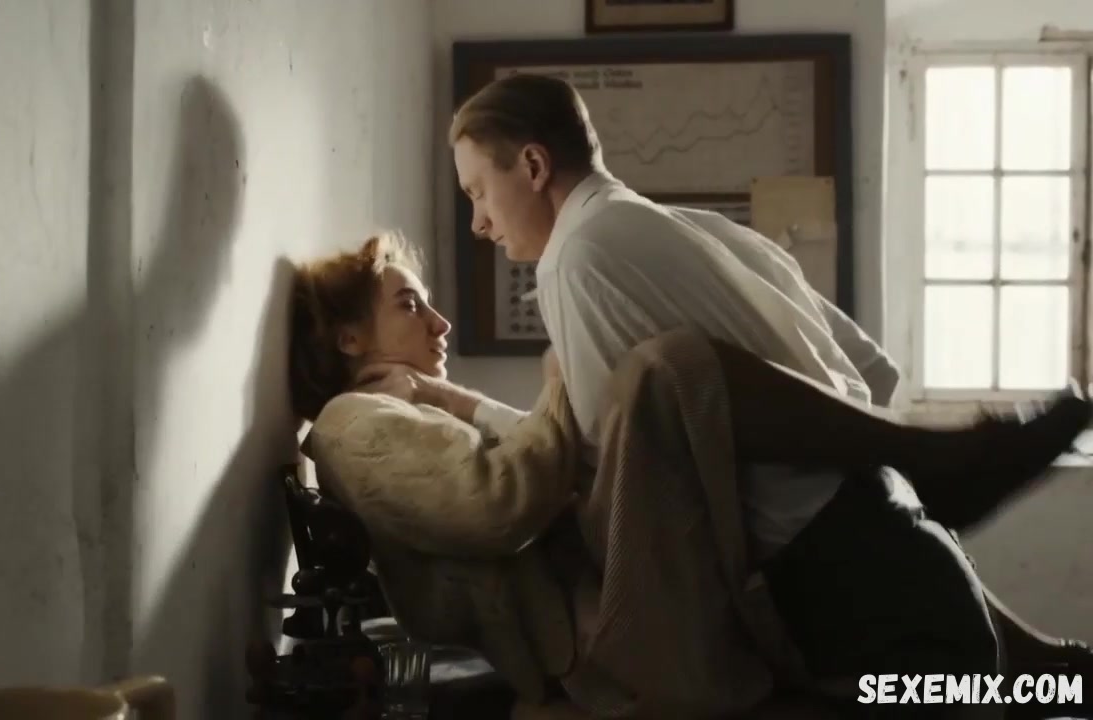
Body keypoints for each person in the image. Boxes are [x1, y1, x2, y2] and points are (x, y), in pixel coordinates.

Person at [441, 73, 1090, 717]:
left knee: (672, 369)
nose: (478, 222)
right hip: (901, 540)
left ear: (533, 166)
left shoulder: (574, 257)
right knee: (1057, 683)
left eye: (478, 192)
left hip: (842, 592)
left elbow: (615, 471)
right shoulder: (683, 226)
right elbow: (868, 368)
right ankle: (939, 458)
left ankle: (941, 461)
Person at [289, 232, 1090, 719]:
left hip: (604, 592)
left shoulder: (408, 407)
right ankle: (929, 463)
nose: (439, 321)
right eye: (410, 305)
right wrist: (564, 372)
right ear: (351, 339)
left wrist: (464, 398)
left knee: (838, 493)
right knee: (668, 372)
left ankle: (1054, 667)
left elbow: (521, 464)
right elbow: (503, 501)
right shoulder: (353, 424)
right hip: (596, 641)